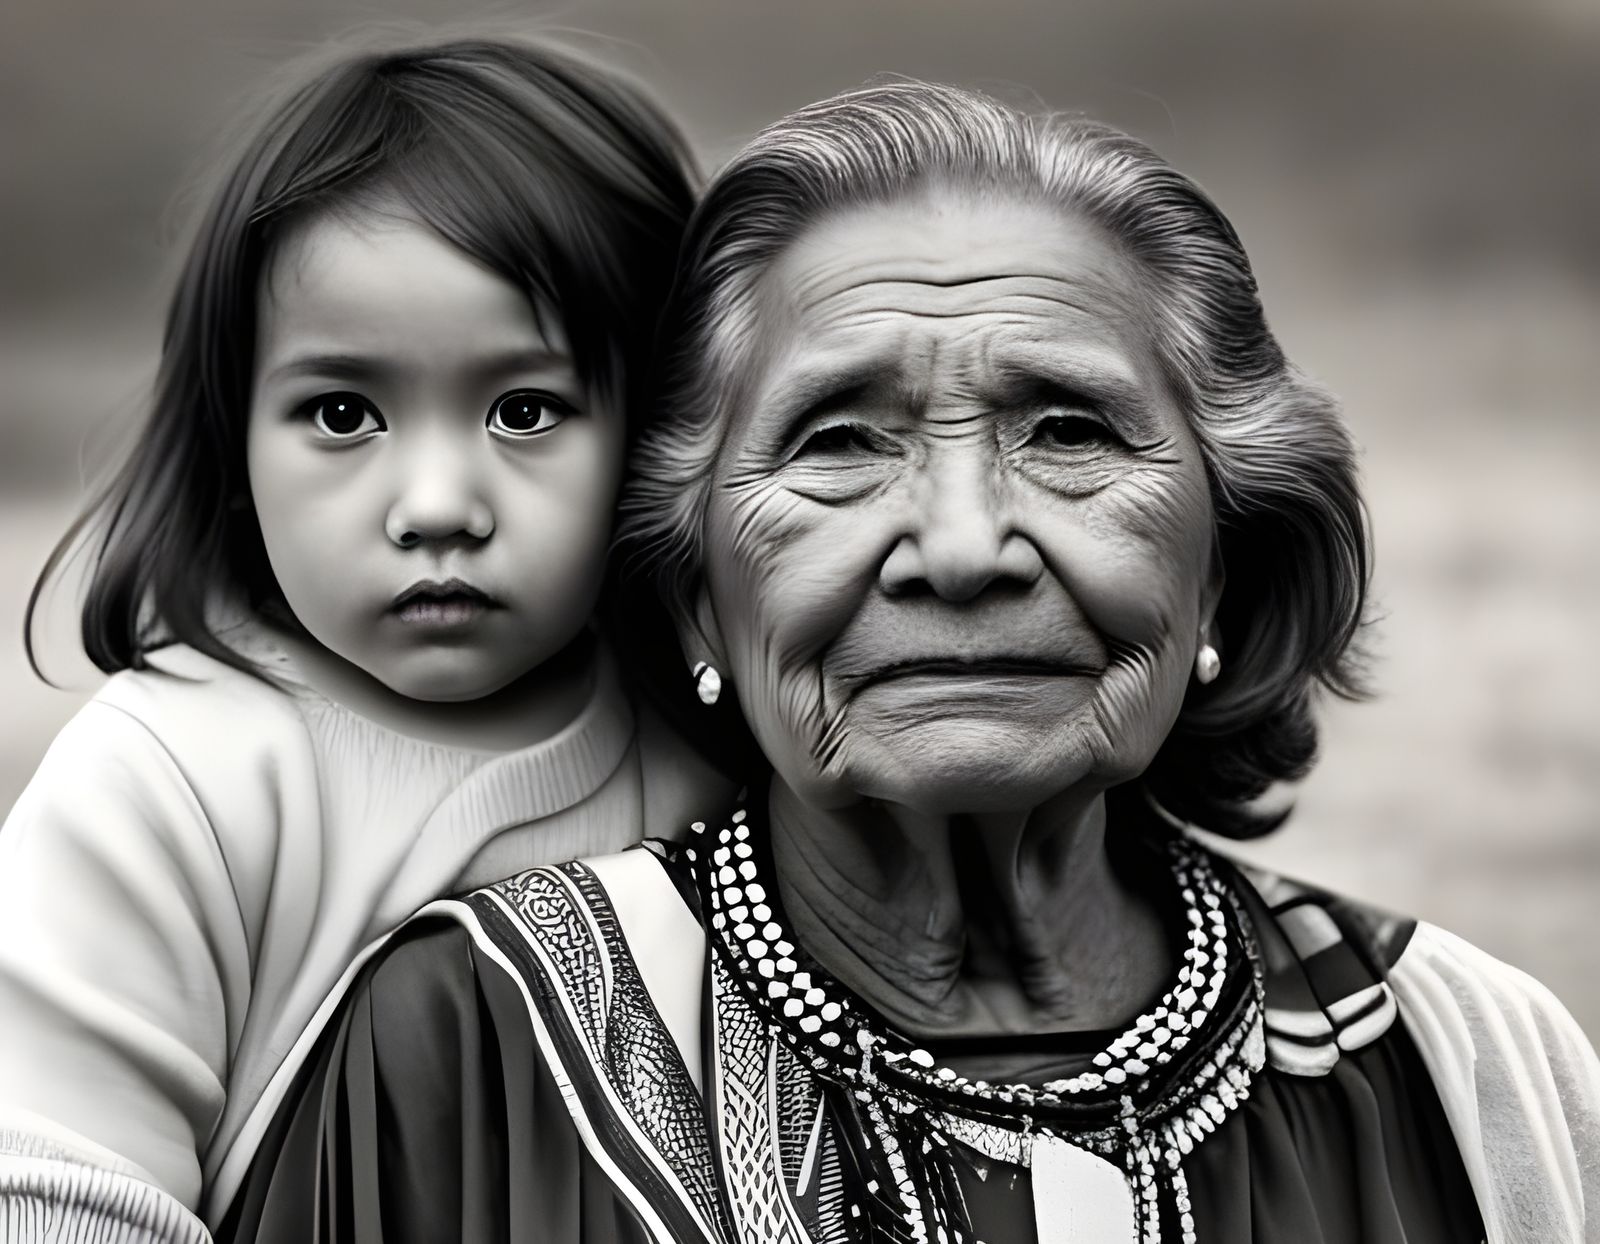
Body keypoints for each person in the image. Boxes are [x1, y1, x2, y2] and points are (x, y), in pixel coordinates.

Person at [221, 82, 1600, 1243]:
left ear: (1223, 565)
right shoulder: (472, 1041)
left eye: (1067, 431)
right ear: (695, 595)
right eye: (838, 441)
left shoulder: (1465, 1065)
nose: (960, 546)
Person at [0, 34, 722, 1242]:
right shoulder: (174, 783)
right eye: (343, 413)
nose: (435, 504)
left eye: (525, 409)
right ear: (232, 444)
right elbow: (58, 1192)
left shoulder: (713, 755)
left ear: (658, 434)